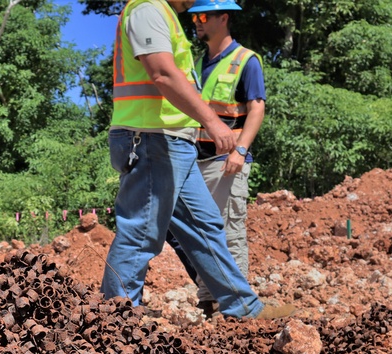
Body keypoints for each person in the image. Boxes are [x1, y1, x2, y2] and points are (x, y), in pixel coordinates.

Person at [101, 0, 294, 320]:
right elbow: (162, 74)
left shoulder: (167, 16)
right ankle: (115, 319)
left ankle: (243, 307)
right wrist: (212, 121)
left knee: (204, 225)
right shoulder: (148, 9)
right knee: (141, 234)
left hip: (172, 141)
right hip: (151, 136)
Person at [165, 0, 264, 319]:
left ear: (224, 18)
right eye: (195, 16)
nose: (197, 21)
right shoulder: (198, 62)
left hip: (227, 161)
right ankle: (210, 300)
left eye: (204, 16)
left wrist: (240, 150)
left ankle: (236, 309)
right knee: (196, 231)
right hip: (195, 160)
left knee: (228, 230)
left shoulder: (245, 60)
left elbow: (256, 108)